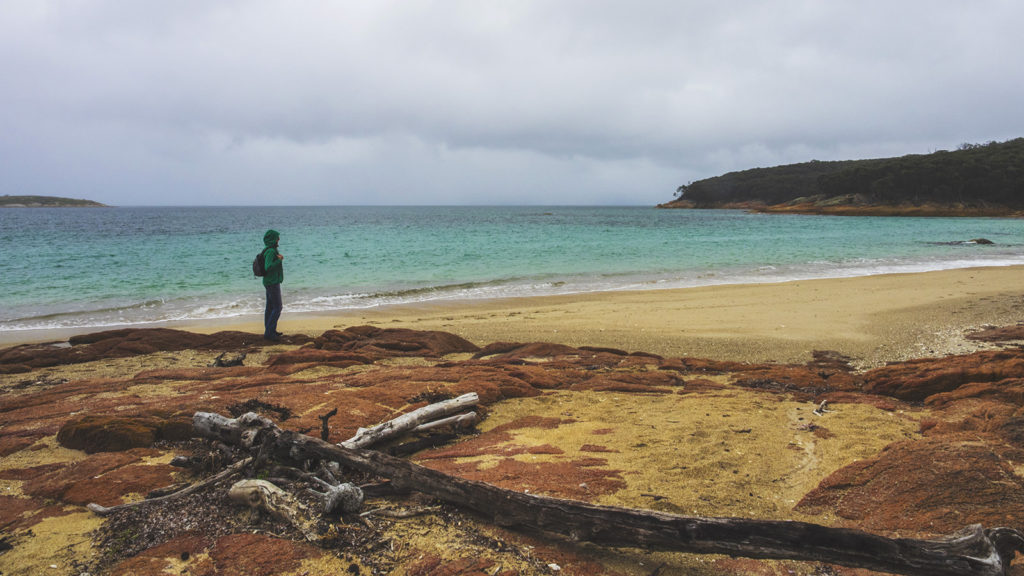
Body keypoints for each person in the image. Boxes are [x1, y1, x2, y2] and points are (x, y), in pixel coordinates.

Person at [261, 229, 284, 340]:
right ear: (273, 239)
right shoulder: (270, 251)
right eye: (277, 237)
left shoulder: (270, 250)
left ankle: (270, 330)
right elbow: (268, 267)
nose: (278, 239)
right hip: (272, 282)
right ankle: (269, 333)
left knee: (270, 308)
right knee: (278, 307)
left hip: (270, 282)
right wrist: (279, 260)